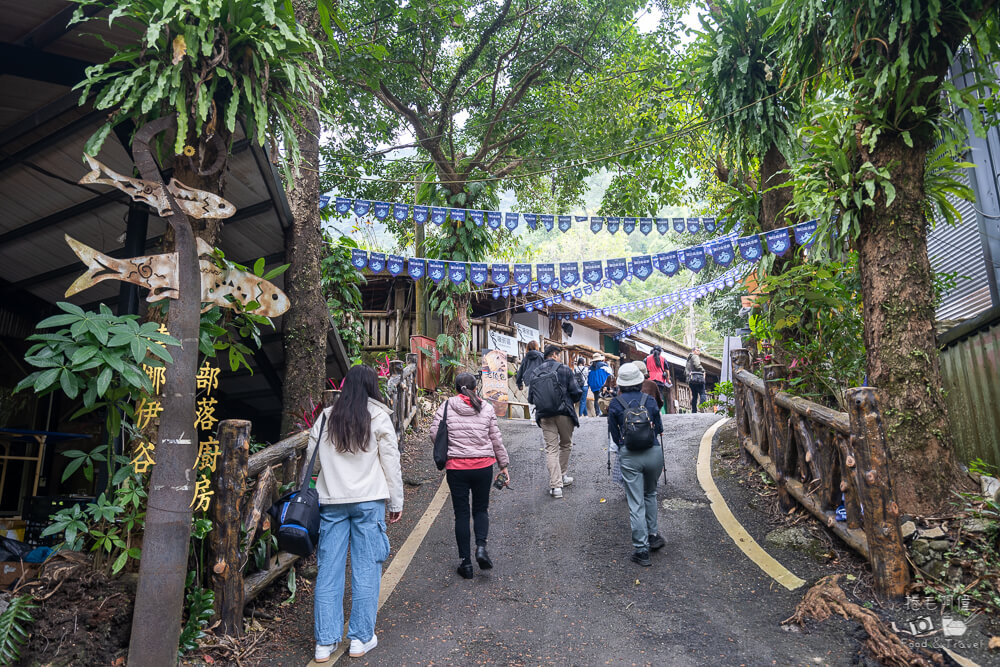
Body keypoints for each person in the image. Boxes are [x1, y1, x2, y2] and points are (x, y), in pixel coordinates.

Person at [308, 365, 403, 662]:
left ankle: (324, 642)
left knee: (329, 570)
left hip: (332, 500)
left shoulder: (326, 417)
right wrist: (396, 502)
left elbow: (311, 464)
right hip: (369, 501)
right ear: (372, 386)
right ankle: (360, 640)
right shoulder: (378, 416)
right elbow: (391, 462)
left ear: (345, 386)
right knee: (366, 570)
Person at [430, 373, 510, 579]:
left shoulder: (447, 406)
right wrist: (503, 464)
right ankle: (481, 548)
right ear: (476, 388)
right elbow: (496, 439)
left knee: (462, 514)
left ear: (456, 388)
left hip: (457, 468)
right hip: (483, 466)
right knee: (481, 509)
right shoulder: (486, 407)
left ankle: (466, 564)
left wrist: (452, 449)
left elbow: (434, 433)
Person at [607, 363, 665, 567]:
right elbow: (658, 428)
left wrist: (625, 445)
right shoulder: (649, 400)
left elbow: (615, 435)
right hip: (653, 453)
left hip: (630, 456)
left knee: (635, 502)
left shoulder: (615, 404)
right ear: (640, 381)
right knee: (650, 494)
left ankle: (641, 551)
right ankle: (654, 536)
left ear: (621, 384)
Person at [528, 345, 583, 499]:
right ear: (554, 355)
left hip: (544, 415)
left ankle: (556, 486)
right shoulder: (564, 369)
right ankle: (563, 475)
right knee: (565, 444)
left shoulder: (535, 372)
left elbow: (531, 398)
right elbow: (576, 392)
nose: (559, 357)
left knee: (551, 449)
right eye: (559, 355)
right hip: (564, 413)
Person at [645, 345, 673, 414]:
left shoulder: (647, 358)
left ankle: (650, 410)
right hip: (660, 379)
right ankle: (658, 410)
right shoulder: (663, 359)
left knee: (650, 394)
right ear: (660, 352)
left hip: (650, 379)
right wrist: (668, 379)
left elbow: (644, 369)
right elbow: (667, 370)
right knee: (659, 394)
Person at [686, 346, 707, 413]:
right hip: (698, 378)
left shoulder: (688, 359)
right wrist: (703, 370)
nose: (699, 352)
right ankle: (702, 407)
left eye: (699, 350)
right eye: (697, 350)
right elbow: (697, 365)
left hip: (691, 379)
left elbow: (686, 371)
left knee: (694, 395)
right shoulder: (695, 356)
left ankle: (694, 410)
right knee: (702, 393)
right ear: (693, 351)